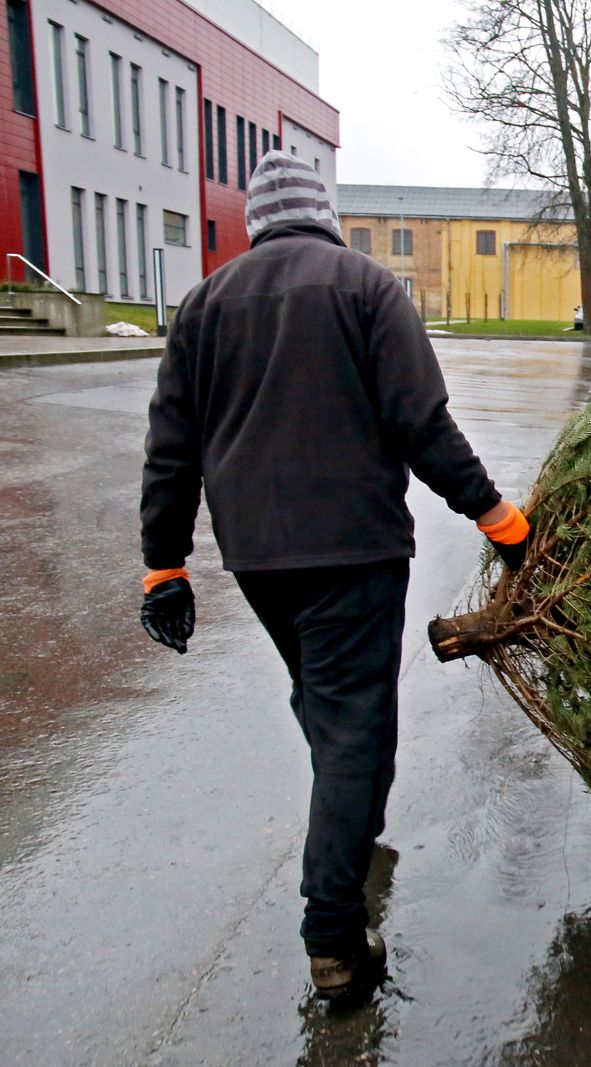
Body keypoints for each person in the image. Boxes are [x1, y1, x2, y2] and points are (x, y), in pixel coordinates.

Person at [138, 151, 531, 996]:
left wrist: (163, 567)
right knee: (354, 724)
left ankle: (350, 832)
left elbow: (171, 447)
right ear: (321, 211)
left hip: (259, 558)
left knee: (326, 703)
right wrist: (497, 517)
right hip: (354, 550)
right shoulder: (366, 286)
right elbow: (420, 421)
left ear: (255, 223)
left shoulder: (205, 303)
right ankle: (334, 937)